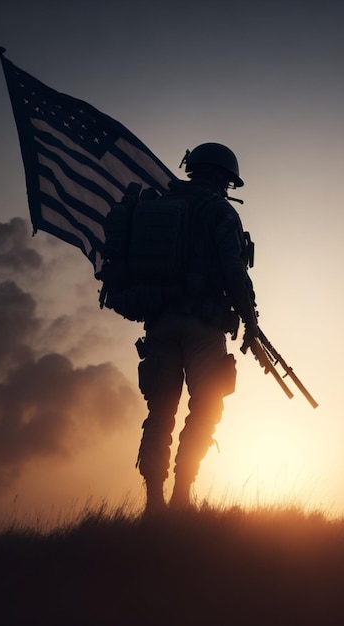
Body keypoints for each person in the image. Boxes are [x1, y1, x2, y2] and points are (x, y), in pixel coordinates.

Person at [134, 142, 259, 514]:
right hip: (203, 326)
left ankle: (153, 503)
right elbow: (233, 270)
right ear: (224, 177)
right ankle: (181, 495)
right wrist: (250, 320)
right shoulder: (219, 211)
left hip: (159, 323)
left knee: (160, 414)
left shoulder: (158, 207)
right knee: (206, 406)